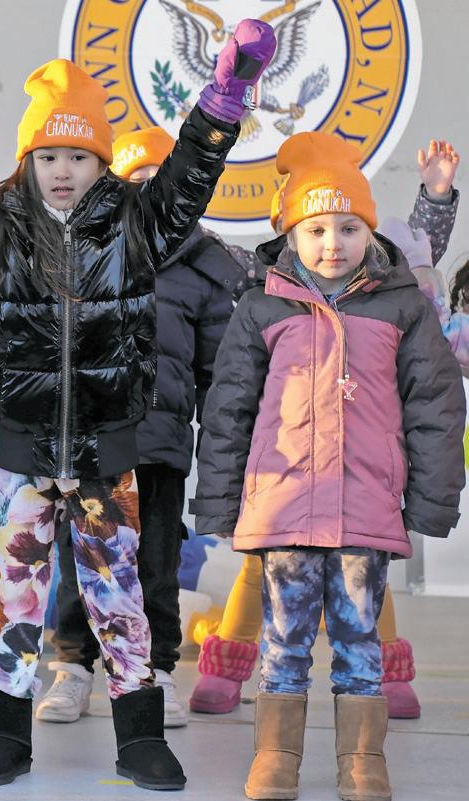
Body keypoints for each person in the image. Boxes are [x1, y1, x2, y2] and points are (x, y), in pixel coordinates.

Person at [0, 21, 273, 789]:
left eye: (78, 155)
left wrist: (224, 97)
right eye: (48, 156)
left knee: (120, 598)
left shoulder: (137, 226)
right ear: (27, 160)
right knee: (11, 597)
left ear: (101, 161)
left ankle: (139, 736)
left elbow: (188, 174)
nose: (63, 171)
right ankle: (2, 734)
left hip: (108, 449)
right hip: (25, 448)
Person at [194, 130, 465, 801]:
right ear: (291, 234)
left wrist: (432, 499)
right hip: (283, 508)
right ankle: (275, 756)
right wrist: (220, 502)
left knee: (358, 640)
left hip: (363, 507)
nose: (332, 243)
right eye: (315, 229)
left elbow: (435, 404)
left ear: (371, 233)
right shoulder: (262, 306)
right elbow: (228, 408)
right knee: (283, 639)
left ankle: (362, 760)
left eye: (348, 228)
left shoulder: (402, 307)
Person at [36, 127, 243, 729]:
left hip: (160, 447)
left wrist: (225, 455)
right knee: (84, 561)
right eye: (136, 184)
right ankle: (74, 667)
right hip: (91, 444)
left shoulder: (205, 270)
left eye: (163, 183)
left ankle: (155, 672)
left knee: (155, 565)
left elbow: (217, 374)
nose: (151, 196)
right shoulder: (79, 254)